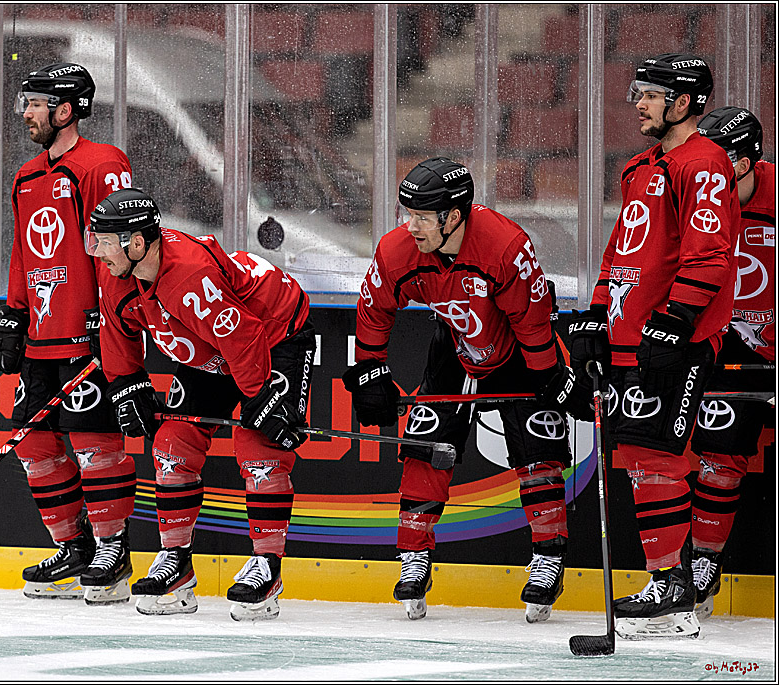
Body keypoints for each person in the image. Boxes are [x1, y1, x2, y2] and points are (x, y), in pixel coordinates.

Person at [345, 157, 591, 623]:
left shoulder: (505, 246)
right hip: (453, 344)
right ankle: (414, 556)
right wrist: (370, 370)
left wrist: (549, 375)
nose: (409, 225)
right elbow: (374, 309)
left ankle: (548, 557)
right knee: (426, 443)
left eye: (420, 216)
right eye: (406, 213)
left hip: (519, 347)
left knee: (537, 449)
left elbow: (533, 321)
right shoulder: (397, 250)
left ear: (452, 216)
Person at [568, 54, 739, 639]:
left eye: (650, 93)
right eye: (637, 91)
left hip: (676, 338)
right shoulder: (641, 166)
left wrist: (679, 317)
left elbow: (711, 253)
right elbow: (622, 249)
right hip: (629, 336)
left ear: (684, 101)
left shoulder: (706, 161)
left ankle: (675, 596)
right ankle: (665, 583)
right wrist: (596, 313)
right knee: (640, 460)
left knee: (662, 457)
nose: (638, 103)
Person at [86, 188, 315, 621]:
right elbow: (117, 332)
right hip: (207, 350)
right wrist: (127, 384)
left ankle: (267, 564)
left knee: (261, 448)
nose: (97, 252)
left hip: (273, 333)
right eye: (93, 240)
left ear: (138, 243)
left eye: (104, 242)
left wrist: (262, 397)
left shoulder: (187, 275)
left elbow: (243, 337)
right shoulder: (115, 272)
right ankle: (176, 561)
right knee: (171, 447)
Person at [0, 62, 136, 604]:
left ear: (66, 109)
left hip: (89, 337)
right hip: (41, 339)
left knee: (96, 446)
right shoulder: (26, 176)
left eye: (35, 103)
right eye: (24, 103)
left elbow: (119, 249)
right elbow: (23, 253)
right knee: (34, 445)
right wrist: (12, 316)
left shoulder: (102, 164)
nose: (26, 113)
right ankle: (73, 548)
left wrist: (109, 319)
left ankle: (111, 552)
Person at [688, 106, 774, 620]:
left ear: (744, 163)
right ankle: (704, 561)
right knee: (718, 454)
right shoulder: (698, 196)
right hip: (733, 344)